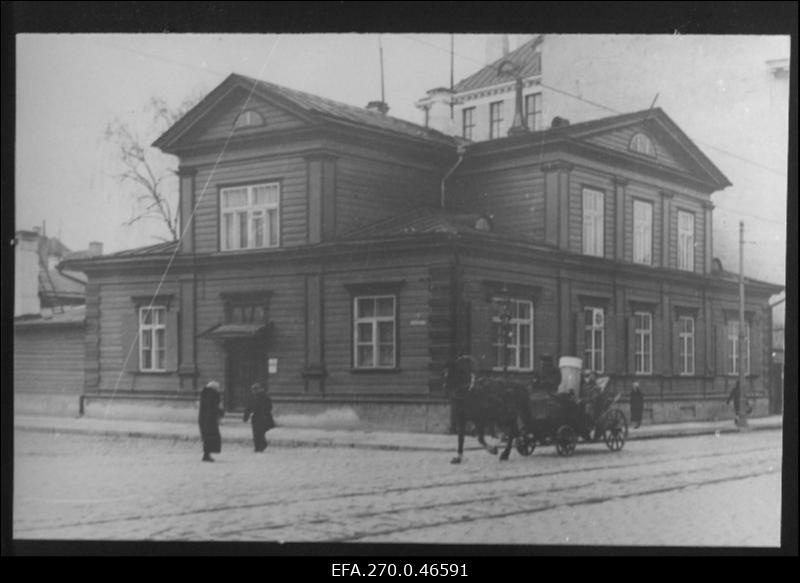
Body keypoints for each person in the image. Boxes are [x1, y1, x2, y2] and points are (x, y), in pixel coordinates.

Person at [243, 382, 275, 452]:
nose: (253, 391)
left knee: (259, 432)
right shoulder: (253, 397)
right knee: (257, 432)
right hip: (256, 418)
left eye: (254, 390)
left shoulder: (265, 396)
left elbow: (269, 406)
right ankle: (259, 446)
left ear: (258, 389)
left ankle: (260, 446)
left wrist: (264, 412)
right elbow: (249, 408)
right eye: (252, 390)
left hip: (263, 417)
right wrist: (246, 416)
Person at [198, 380, 224, 462]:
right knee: (210, 438)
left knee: (207, 438)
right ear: (214, 388)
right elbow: (212, 407)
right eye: (217, 388)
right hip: (209, 420)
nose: (218, 390)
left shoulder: (205, 393)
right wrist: (220, 412)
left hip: (204, 419)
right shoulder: (212, 395)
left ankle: (207, 455)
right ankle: (206, 456)